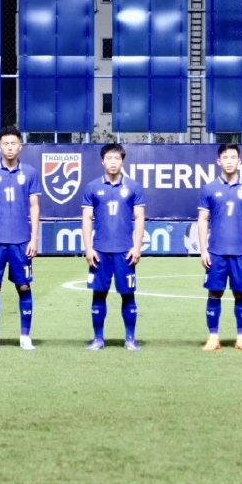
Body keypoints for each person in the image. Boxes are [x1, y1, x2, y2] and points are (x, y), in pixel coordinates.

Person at [0, 127, 42, 350]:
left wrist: (34, 238)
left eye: (14, 143)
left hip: (22, 240)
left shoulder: (30, 172)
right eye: (6, 143)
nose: (10, 147)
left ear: (20, 146)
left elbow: (34, 206)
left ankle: (25, 336)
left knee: (23, 286)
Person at [81, 143, 145, 351]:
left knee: (128, 294)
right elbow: (87, 218)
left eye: (117, 158)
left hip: (125, 251)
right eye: (109, 158)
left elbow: (140, 217)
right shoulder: (92, 187)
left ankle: (130, 338)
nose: (113, 162)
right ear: (102, 161)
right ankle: (98, 338)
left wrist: (137, 247)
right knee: (99, 293)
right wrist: (88, 248)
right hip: (99, 250)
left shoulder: (134, 187)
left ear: (123, 161)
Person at [197, 143, 242, 350]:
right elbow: (203, 219)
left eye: (233, 157)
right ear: (219, 161)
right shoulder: (209, 188)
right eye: (226, 157)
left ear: (239, 161)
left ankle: (241, 338)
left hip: (241, 252)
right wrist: (203, 249)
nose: (230, 161)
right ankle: (213, 337)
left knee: (241, 293)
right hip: (216, 252)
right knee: (214, 293)